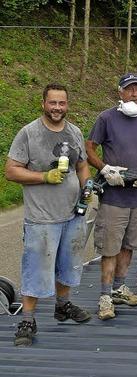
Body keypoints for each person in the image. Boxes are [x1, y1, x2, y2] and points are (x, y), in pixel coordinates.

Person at [5, 83, 92, 345]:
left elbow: (83, 165)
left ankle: (62, 306)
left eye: (62, 103)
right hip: (42, 218)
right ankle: (27, 320)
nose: (57, 108)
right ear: (43, 103)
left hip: (73, 214)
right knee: (36, 268)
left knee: (69, 264)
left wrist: (87, 187)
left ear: (67, 104)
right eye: (52, 103)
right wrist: (44, 176)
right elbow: (11, 171)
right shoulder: (29, 133)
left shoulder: (74, 132)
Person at [86, 73, 137, 320]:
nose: (135, 94)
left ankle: (119, 287)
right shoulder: (106, 118)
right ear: (120, 92)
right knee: (110, 247)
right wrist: (105, 169)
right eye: (130, 89)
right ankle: (105, 296)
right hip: (113, 196)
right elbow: (89, 149)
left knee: (129, 245)